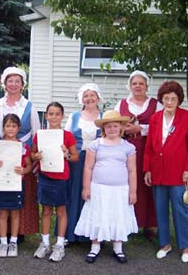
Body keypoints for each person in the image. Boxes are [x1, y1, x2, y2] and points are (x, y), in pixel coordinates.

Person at [74, 110, 138, 264]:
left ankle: (118, 247)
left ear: (121, 127)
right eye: (108, 126)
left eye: (115, 126)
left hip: (120, 189)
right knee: (98, 214)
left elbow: (132, 170)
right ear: (103, 128)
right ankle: (95, 246)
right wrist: (86, 188)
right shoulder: (95, 145)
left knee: (118, 216)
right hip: (99, 188)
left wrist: (133, 191)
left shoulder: (128, 147)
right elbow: (88, 167)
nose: (112, 129)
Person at [143, 80, 188, 263]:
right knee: (160, 210)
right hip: (157, 172)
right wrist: (147, 169)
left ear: (179, 100)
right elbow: (149, 146)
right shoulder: (155, 118)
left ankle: (185, 246)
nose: (169, 102)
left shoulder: (186, 117)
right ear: (162, 99)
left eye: (173, 99)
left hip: (179, 173)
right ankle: (164, 244)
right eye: (166, 98)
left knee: (181, 210)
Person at [114, 70, 163, 240]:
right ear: (130, 85)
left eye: (141, 83)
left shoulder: (156, 105)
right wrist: (123, 128)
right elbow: (112, 124)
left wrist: (140, 129)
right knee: (127, 183)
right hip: (125, 149)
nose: (137, 86)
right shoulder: (121, 104)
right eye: (134, 83)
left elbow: (161, 126)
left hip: (148, 148)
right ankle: (127, 222)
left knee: (146, 184)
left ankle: (148, 224)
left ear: (146, 86)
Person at [0, 66, 40, 240]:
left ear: (22, 85)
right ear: (4, 84)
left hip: (23, 157)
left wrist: (33, 157)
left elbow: (36, 134)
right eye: (10, 81)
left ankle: (19, 232)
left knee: (22, 192)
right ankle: (2, 232)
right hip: (2, 155)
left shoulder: (30, 106)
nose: (13, 84)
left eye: (17, 81)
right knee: (3, 191)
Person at [32, 102, 79, 262]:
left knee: (60, 211)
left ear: (62, 116)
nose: (53, 117)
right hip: (45, 176)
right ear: (46, 116)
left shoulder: (67, 135)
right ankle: (45, 243)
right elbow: (33, 154)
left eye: (57, 114)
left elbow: (75, 157)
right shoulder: (40, 135)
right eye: (50, 114)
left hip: (61, 177)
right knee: (45, 211)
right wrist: (36, 156)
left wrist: (66, 154)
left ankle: (59, 245)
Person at [63, 83, 103, 243]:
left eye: (92, 95)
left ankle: (90, 236)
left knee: (93, 196)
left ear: (98, 97)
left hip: (97, 163)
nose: (89, 98)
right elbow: (65, 138)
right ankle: (69, 234)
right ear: (82, 99)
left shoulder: (104, 117)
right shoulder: (74, 117)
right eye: (86, 96)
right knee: (73, 195)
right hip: (76, 162)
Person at [0, 114, 32, 258]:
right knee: (2, 213)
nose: (10, 129)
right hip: (1, 183)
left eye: (14, 126)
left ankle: (13, 242)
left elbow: (28, 165)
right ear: (3, 127)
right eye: (8, 125)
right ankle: (3, 242)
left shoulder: (23, 146)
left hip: (16, 183)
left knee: (15, 213)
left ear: (18, 128)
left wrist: (24, 170)